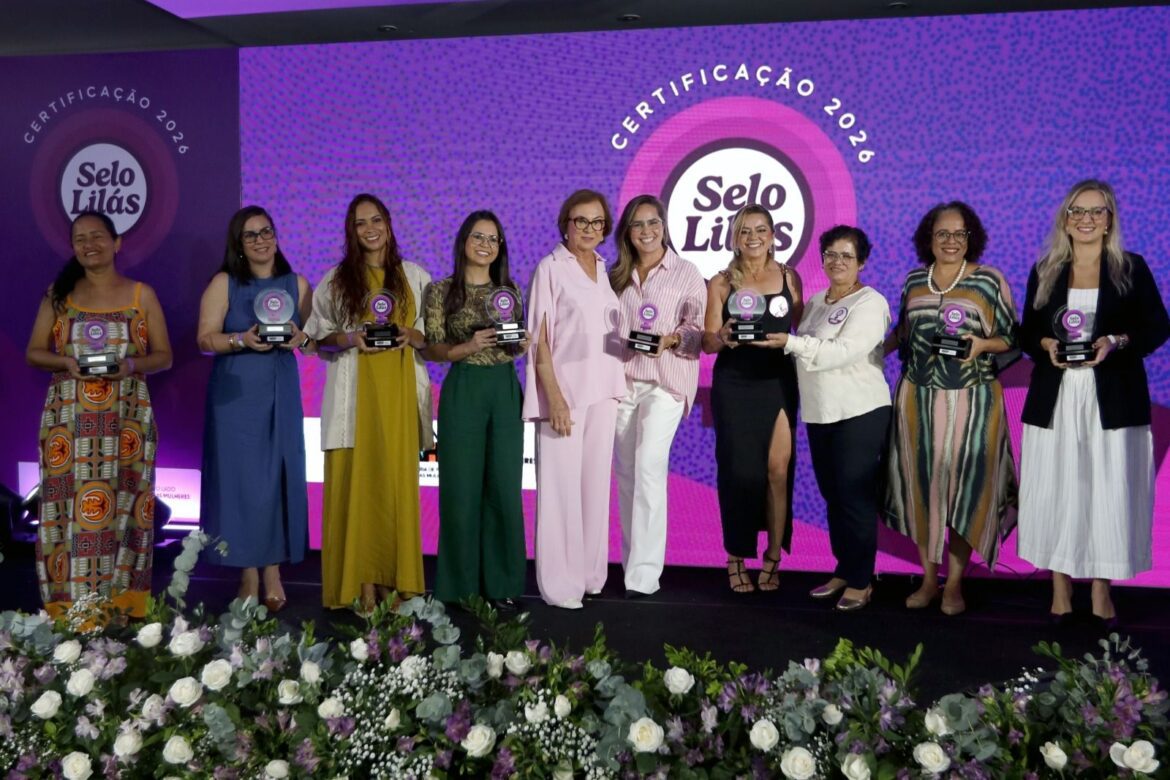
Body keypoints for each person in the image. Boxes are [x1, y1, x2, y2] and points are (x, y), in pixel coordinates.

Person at [1017, 180, 1169, 626]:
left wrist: (1116, 341)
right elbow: (1027, 332)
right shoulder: (1046, 269)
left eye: (1096, 211)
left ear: (1109, 220)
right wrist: (1045, 343)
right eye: (1077, 211)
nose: (1086, 219)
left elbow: (1157, 326)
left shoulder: (1130, 268)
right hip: (1056, 397)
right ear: (1065, 220)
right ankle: (1060, 588)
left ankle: (1102, 588)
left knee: (1107, 492)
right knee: (1057, 489)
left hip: (1113, 398)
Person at [25, 211, 173, 619]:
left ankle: (123, 605)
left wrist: (130, 366)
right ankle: (67, 608)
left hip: (126, 421)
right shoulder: (59, 294)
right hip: (68, 424)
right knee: (66, 510)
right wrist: (66, 362)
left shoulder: (142, 295)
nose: (89, 244)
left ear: (116, 242)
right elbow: (34, 352)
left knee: (127, 506)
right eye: (79, 239)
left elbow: (164, 356)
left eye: (97, 236)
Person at [884, 201, 1018, 616]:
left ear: (970, 238)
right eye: (942, 233)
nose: (951, 241)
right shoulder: (914, 280)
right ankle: (929, 580)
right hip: (917, 400)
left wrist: (982, 344)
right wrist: (858, 355)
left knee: (966, 492)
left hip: (973, 402)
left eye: (959, 234)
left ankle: (955, 584)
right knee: (923, 491)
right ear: (929, 238)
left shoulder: (989, 280)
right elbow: (901, 334)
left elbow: (1010, 338)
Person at [304, 194, 433, 611]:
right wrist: (349, 337)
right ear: (351, 231)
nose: (370, 229)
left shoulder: (415, 277)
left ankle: (395, 582)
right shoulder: (335, 281)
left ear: (389, 224)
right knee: (356, 490)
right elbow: (316, 338)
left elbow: (431, 337)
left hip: (398, 399)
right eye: (360, 223)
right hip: (353, 400)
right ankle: (361, 584)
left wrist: (410, 334)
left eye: (376, 220)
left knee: (393, 491)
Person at [763, 226, 890, 610]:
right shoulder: (817, 301)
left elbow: (843, 351)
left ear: (862, 262)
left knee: (854, 496)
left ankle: (862, 580)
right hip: (821, 412)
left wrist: (790, 342)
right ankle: (844, 568)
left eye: (847, 256)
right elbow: (806, 352)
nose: (837, 262)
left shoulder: (871, 303)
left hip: (860, 411)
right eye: (830, 254)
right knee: (833, 496)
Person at [196, 206, 314, 613]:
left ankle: (273, 571)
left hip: (280, 390)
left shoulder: (298, 284)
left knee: (278, 477)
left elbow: (314, 343)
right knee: (241, 483)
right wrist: (241, 340)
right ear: (239, 245)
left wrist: (301, 339)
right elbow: (205, 339)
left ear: (276, 237)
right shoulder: (224, 282)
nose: (261, 240)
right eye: (251, 235)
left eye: (266, 231)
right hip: (236, 395)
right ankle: (247, 572)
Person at [523, 189, 626, 609]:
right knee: (560, 489)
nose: (589, 228)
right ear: (566, 223)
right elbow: (540, 341)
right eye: (581, 220)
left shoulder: (602, 268)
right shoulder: (550, 268)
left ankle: (588, 575)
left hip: (604, 392)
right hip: (565, 395)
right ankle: (560, 583)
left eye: (597, 222)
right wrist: (555, 399)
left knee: (594, 488)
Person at [422, 211, 528, 611]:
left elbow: (514, 341)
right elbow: (431, 348)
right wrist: (467, 346)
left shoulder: (510, 290)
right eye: (478, 236)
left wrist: (522, 344)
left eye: (493, 239)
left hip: (504, 388)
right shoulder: (440, 290)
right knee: (460, 488)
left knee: (504, 486)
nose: (486, 244)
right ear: (464, 241)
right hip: (464, 387)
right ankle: (458, 586)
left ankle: (501, 583)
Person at [702, 204, 802, 594]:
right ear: (735, 238)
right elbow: (708, 342)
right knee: (740, 472)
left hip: (777, 381)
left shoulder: (789, 277)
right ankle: (736, 556)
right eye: (745, 231)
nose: (753, 237)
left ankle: (773, 556)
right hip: (735, 384)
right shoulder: (721, 282)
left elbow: (802, 329)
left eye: (761, 230)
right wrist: (723, 336)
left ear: (773, 235)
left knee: (778, 470)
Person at [610, 195, 706, 598]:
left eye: (653, 222)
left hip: (666, 382)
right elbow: (607, 328)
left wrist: (671, 340)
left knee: (649, 465)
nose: (646, 231)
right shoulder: (616, 275)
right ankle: (631, 565)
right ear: (627, 232)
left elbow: (697, 331)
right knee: (626, 474)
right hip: (623, 382)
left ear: (664, 226)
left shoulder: (686, 272)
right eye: (637, 224)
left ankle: (645, 576)